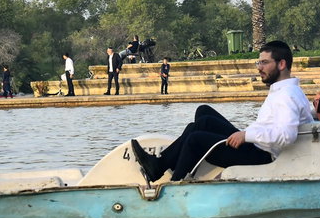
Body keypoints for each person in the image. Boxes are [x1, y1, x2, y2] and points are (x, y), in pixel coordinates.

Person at [131, 40, 310, 183]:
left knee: (195, 139)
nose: (259, 67)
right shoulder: (283, 90)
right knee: (204, 114)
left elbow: (287, 135)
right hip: (256, 145)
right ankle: (161, 164)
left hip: (263, 155)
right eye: (258, 62)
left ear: (281, 64)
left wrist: (246, 136)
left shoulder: (287, 96)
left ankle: (176, 181)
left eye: (264, 62)